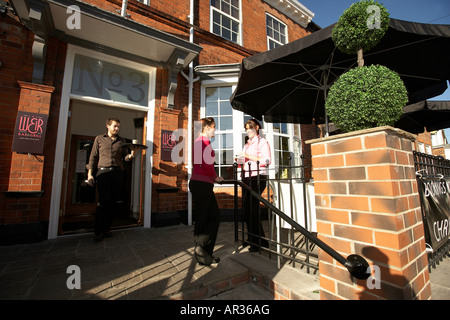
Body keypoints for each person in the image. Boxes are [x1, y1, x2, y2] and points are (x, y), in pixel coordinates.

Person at [87, 117, 138, 242]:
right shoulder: (99, 139)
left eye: (118, 126)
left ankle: (107, 228)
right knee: (103, 201)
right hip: (102, 173)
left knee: (113, 202)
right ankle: (98, 231)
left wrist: (131, 155)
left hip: (117, 173)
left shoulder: (122, 141)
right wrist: (90, 174)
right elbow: (93, 157)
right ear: (108, 126)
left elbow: (125, 158)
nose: (117, 128)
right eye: (115, 126)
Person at [189, 117, 224, 266]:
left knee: (208, 216)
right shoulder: (204, 142)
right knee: (210, 217)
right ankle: (201, 247)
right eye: (214, 127)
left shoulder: (198, 142)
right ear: (207, 127)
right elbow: (207, 164)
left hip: (199, 183)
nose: (215, 129)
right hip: (203, 184)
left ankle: (205, 254)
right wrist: (216, 177)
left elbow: (200, 164)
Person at [237, 119, 272, 252]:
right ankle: (255, 239)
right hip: (246, 177)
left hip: (258, 177)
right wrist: (239, 160)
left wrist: (248, 156)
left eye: (250, 129)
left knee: (252, 208)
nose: (248, 131)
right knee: (247, 209)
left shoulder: (262, 142)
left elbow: (267, 160)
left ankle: (258, 241)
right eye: (246, 129)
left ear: (256, 127)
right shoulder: (246, 145)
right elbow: (243, 160)